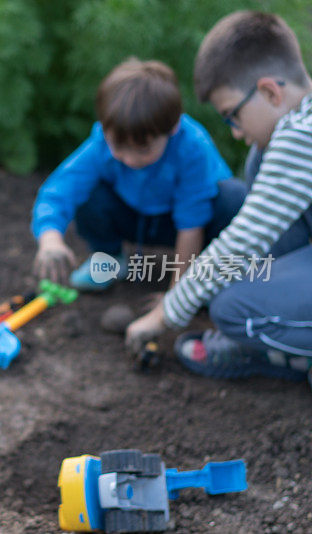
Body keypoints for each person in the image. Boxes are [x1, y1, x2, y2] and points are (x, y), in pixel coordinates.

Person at [126, 11, 312, 381]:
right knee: (246, 176)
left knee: (231, 308)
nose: (235, 132)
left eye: (232, 116)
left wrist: (162, 317)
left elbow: (243, 240)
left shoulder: (300, 135)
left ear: (269, 92)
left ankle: (282, 354)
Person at [32, 58, 246, 292]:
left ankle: (204, 276)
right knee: (89, 190)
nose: (130, 159)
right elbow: (60, 189)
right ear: (104, 128)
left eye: (143, 149)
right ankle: (110, 262)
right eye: (117, 146)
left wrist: (176, 297)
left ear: (172, 128)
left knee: (232, 197)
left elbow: (191, 224)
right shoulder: (101, 144)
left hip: (190, 224)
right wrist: (50, 239)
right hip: (135, 217)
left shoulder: (191, 147)